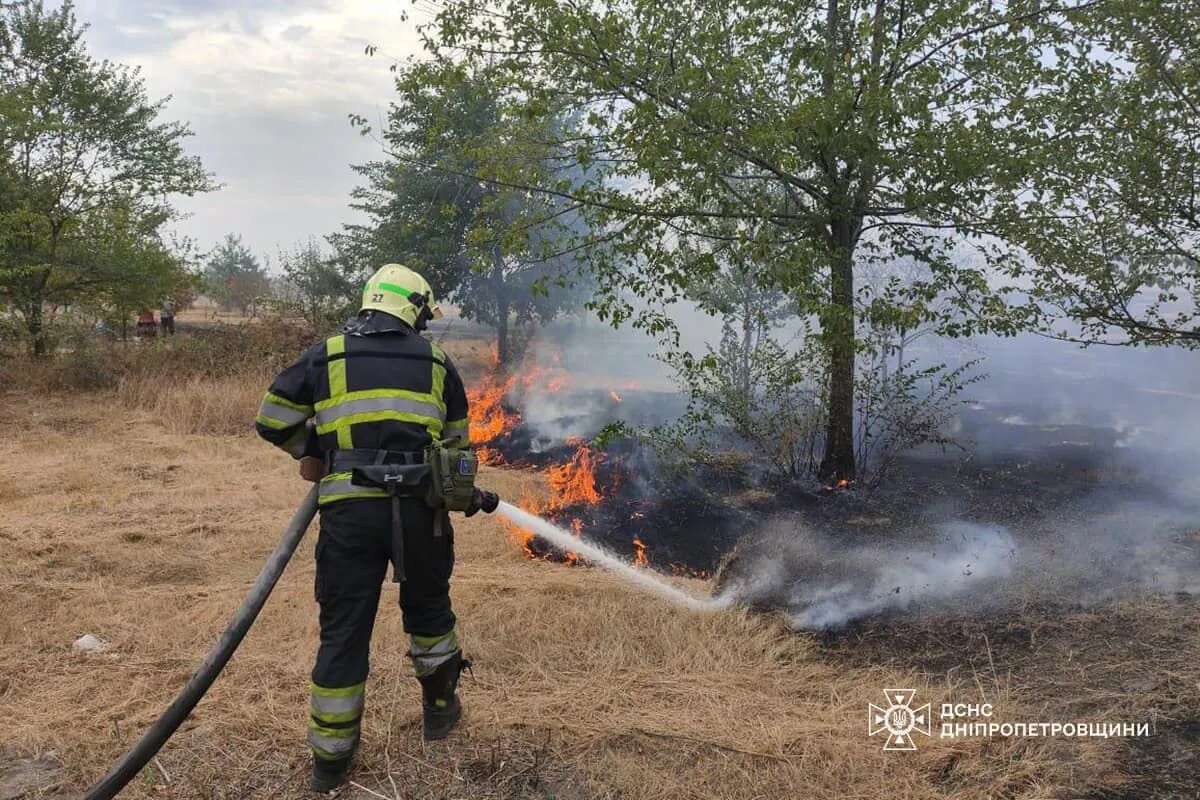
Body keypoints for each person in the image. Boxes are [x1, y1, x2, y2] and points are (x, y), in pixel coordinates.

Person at [254, 264, 498, 793]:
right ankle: (439, 711)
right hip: (420, 514)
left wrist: (320, 450)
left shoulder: (328, 353)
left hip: (349, 511)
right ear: (414, 307)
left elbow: (272, 418)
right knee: (430, 612)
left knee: (344, 630)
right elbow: (456, 451)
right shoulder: (437, 362)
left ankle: (331, 761)